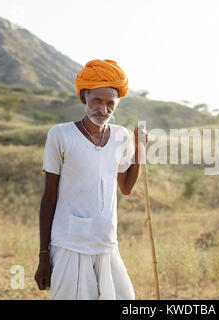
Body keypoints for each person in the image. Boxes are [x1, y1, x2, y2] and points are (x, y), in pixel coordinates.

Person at [34, 59, 148, 299]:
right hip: (69, 242)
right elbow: (49, 197)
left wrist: (140, 150)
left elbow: (126, 188)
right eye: (97, 101)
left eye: (110, 104)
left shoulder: (120, 136)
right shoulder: (60, 134)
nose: (103, 110)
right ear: (83, 98)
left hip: (106, 241)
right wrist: (44, 255)